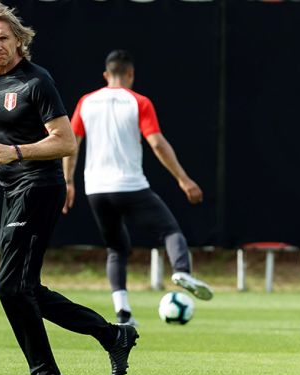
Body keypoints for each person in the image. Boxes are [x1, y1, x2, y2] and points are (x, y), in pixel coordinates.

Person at [0, 2, 138, 375]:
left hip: (39, 188)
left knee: (10, 286)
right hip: (11, 189)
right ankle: (112, 336)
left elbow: (66, 141)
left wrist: (18, 153)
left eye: (4, 38)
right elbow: (1, 135)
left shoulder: (36, 81)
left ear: (19, 40)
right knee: (24, 287)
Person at [65, 49, 213, 326]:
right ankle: (181, 270)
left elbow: (71, 144)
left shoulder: (86, 101)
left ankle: (123, 313)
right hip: (130, 185)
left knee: (116, 249)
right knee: (170, 230)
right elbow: (157, 142)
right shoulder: (139, 102)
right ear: (131, 74)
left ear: (107, 75)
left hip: (95, 189)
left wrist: (68, 181)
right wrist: (183, 179)